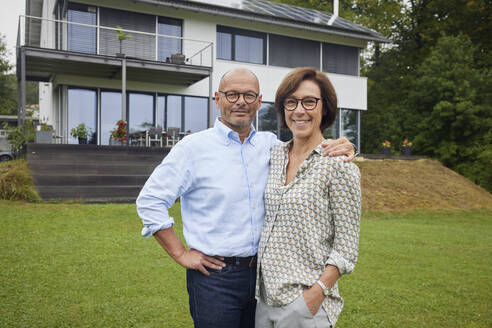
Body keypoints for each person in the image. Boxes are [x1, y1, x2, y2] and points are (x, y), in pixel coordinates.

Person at [136, 68, 356, 328]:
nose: (241, 101)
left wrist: (346, 146)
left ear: (258, 101)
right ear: (217, 99)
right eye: (232, 94)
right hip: (215, 279)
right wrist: (181, 254)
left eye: (249, 95)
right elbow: (150, 202)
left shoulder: (272, 147)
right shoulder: (193, 148)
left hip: (264, 280)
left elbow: (307, 145)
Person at [255, 67, 361, 328]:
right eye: (291, 102)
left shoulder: (339, 166)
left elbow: (347, 247)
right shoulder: (274, 155)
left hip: (304, 305)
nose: (299, 110)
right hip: (263, 300)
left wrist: (314, 295)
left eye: (309, 101)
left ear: (325, 108)